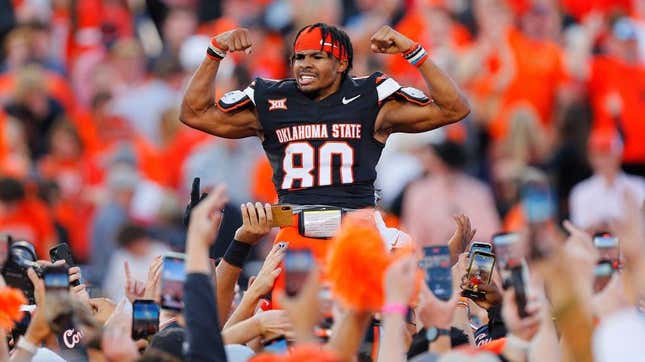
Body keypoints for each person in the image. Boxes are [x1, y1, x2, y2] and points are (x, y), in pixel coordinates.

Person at [180, 23, 470, 210]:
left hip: (355, 228)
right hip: (295, 229)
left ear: (341, 63)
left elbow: (453, 108)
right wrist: (214, 51)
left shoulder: (370, 98)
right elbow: (195, 114)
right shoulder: (272, 99)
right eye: (299, 57)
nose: (304, 65)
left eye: (316, 57)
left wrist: (413, 51)